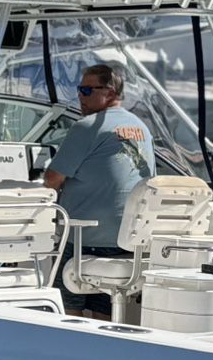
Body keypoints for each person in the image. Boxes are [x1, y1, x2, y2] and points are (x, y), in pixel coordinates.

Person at [44, 63, 155, 308]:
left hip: (86, 238)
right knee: (106, 310)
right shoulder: (142, 128)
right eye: (79, 89)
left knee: (66, 307)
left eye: (87, 91)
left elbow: (52, 180)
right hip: (128, 240)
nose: (80, 97)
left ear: (111, 93)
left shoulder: (87, 127)